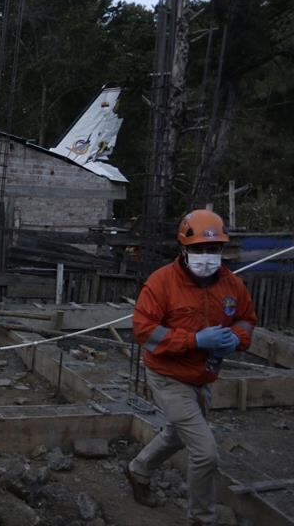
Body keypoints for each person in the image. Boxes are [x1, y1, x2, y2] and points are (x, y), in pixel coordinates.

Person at [126, 209, 256, 526]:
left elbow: (246, 319)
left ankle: (139, 469)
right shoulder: (161, 283)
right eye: (198, 249)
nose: (206, 256)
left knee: (179, 434)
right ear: (184, 249)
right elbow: (144, 331)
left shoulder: (232, 285)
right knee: (205, 451)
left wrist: (236, 339)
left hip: (205, 375)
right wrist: (194, 339)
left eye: (213, 249)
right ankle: (202, 519)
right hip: (168, 376)